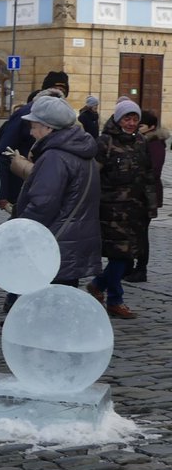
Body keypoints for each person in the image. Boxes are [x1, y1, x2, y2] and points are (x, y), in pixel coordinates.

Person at [3, 96, 100, 314]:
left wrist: (21, 231)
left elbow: (42, 203)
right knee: (61, 305)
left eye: (34, 126)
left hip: (53, 242)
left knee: (41, 307)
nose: (31, 132)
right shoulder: (81, 150)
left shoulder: (55, 156)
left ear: (48, 127)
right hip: (72, 240)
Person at [87, 100, 159, 318]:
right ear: (118, 119)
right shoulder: (105, 142)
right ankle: (113, 298)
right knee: (121, 255)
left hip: (135, 209)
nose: (131, 123)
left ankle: (100, 287)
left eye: (135, 119)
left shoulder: (140, 141)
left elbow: (148, 175)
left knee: (128, 255)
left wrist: (151, 205)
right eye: (127, 118)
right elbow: (93, 176)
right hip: (111, 210)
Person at [0, 70, 69, 209]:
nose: (58, 94)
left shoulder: (66, 117)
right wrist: (2, 194)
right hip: (23, 185)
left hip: (53, 188)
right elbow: (2, 152)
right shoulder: (26, 114)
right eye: (54, 89)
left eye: (61, 90)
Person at [125, 110, 168, 282]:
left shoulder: (154, 143)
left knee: (141, 233)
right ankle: (128, 266)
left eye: (140, 124)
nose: (136, 125)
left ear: (150, 127)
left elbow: (154, 170)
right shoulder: (139, 140)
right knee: (132, 231)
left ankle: (141, 269)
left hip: (146, 196)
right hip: (136, 194)